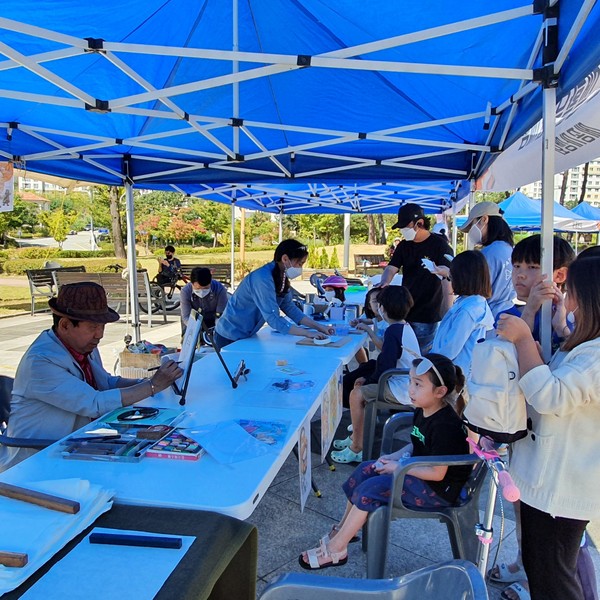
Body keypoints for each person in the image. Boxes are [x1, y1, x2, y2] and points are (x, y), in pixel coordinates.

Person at [299, 353, 471, 570]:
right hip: (421, 474)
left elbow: (438, 473)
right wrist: (394, 457)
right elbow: (417, 443)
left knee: (373, 488)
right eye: (410, 381)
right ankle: (344, 531)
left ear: (440, 392)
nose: (410, 390)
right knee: (365, 470)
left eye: (418, 384)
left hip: (438, 491)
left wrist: (399, 467)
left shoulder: (445, 426)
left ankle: (337, 549)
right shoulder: (423, 410)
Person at [496, 255, 600, 600]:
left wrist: (525, 342)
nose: (566, 298)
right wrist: (555, 339)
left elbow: (549, 397)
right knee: (544, 566)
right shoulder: (586, 347)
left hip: (559, 488)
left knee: (552, 575)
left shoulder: (594, 356)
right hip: (549, 483)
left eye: (571, 291)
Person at [0, 282, 182, 472]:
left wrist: (147, 383)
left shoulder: (81, 346)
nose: (99, 334)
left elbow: (106, 383)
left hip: (70, 446)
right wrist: (153, 386)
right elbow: (94, 403)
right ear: (65, 325)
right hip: (34, 460)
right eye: (93, 327)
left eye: (102, 326)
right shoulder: (40, 362)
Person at [331, 285, 420, 464]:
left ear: (383, 308)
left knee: (356, 393)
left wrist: (367, 380)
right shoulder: (403, 326)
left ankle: (357, 448)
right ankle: (356, 437)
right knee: (359, 386)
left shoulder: (394, 331)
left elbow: (386, 366)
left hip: (402, 386)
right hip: (405, 381)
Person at [214, 239, 334, 349]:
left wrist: (320, 327)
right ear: (285, 259)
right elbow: (273, 318)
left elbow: (290, 308)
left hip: (246, 335)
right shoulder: (262, 279)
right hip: (229, 336)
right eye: (299, 263)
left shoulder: (282, 278)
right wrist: (307, 333)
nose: (300, 268)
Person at [378, 203, 453, 353]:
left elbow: (448, 276)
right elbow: (392, 268)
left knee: (417, 355)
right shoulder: (404, 246)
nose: (403, 230)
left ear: (420, 223)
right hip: (404, 311)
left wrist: (447, 311)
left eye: (405, 226)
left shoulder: (440, 246)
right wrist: (384, 281)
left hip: (427, 312)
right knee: (401, 353)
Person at [431, 250, 494, 376]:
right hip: (459, 371)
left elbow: (449, 349)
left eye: (452, 275)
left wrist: (429, 363)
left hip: (454, 374)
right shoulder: (475, 302)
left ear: (462, 277)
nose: (450, 278)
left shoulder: (468, 310)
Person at [459, 201, 515, 319]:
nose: (470, 231)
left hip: (489, 317)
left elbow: (474, 289)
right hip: (507, 312)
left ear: (484, 219)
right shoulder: (509, 248)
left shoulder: (488, 253)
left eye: (472, 225)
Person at [179, 267, 229, 333]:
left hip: (213, 318)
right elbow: (186, 316)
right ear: (192, 283)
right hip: (192, 320)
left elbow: (220, 314)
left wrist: (218, 329)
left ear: (210, 282)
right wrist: (196, 328)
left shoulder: (219, 289)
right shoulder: (185, 291)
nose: (202, 291)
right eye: (198, 288)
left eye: (206, 288)